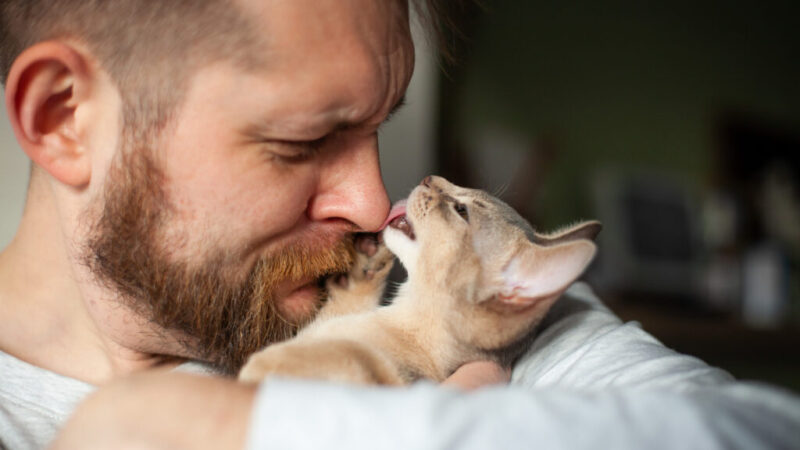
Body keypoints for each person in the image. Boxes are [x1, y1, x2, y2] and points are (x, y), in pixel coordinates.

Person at [0, 1, 798, 449]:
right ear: (64, 119)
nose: (372, 200)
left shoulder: (430, 299)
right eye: (302, 141)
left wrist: (221, 428)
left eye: (379, 126)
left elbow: (763, 432)